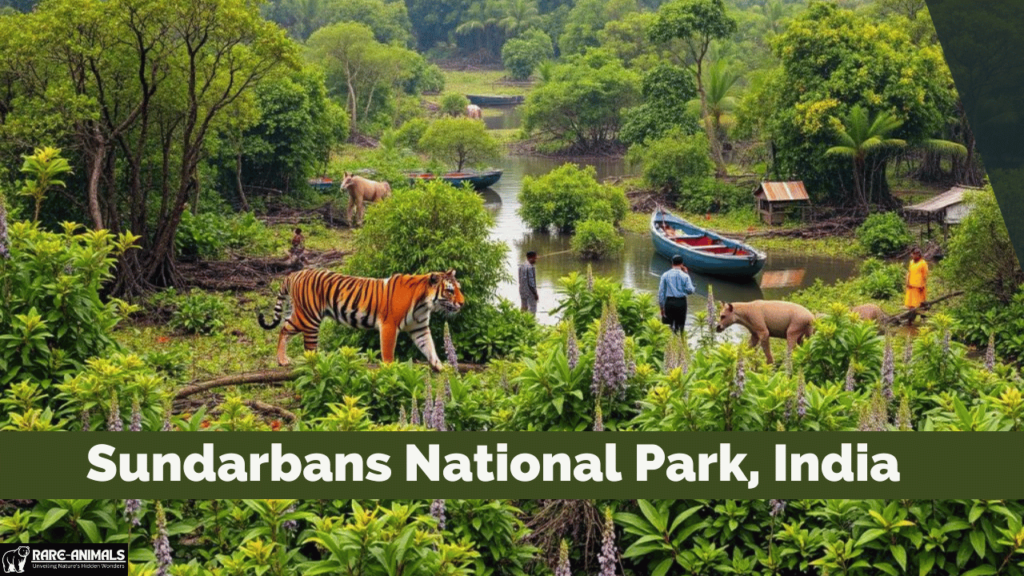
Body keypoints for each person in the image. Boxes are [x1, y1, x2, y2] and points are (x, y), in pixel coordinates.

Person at [658, 254, 695, 334]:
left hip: (669, 302)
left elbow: (661, 292)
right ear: (682, 264)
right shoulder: (685, 276)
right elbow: (691, 290)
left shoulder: (665, 275)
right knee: (680, 326)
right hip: (681, 302)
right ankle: (680, 343)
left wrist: (662, 307)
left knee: (667, 327)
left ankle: (669, 344)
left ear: (672, 263)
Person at [904, 247, 928, 323]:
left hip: (919, 287)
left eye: (914, 254)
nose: (913, 256)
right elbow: (909, 272)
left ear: (918, 255)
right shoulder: (911, 262)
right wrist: (907, 282)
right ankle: (910, 319)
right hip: (911, 287)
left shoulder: (923, 263)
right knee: (911, 305)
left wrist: (922, 285)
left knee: (919, 304)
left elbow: (925, 276)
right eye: (912, 254)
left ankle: (922, 318)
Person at [519, 251, 539, 316]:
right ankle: (531, 323)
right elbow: (531, 282)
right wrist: (535, 293)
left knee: (524, 307)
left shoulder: (521, 266)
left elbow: (520, 279)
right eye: (535, 257)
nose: (536, 259)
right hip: (530, 291)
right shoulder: (530, 267)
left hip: (522, 290)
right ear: (531, 257)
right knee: (533, 308)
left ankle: (522, 321)